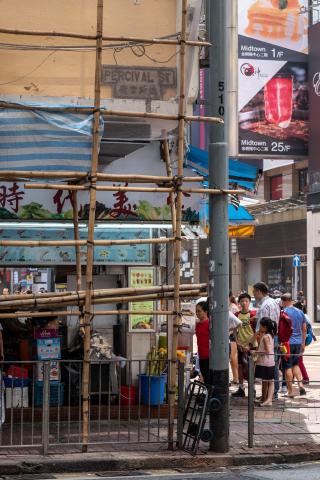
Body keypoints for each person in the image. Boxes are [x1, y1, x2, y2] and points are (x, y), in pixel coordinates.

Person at [253, 282, 280, 398]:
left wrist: (256, 342)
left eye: (254, 291)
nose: (253, 294)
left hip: (266, 337)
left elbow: (261, 328)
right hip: (274, 336)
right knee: (273, 364)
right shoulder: (273, 302)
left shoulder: (264, 306)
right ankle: (270, 393)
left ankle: (269, 395)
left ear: (259, 291)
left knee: (267, 366)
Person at [281, 293, 307, 397]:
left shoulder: (283, 313)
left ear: (285, 301)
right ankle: (301, 385)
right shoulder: (300, 312)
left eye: (282, 302)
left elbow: (281, 329)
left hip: (287, 343)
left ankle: (291, 391)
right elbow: (304, 329)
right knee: (296, 364)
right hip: (298, 343)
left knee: (287, 367)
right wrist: (303, 343)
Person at [232, 292, 257, 398]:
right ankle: (241, 388)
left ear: (249, 302)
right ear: (239, 303)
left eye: (246, 301)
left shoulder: (253, 315)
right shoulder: (236, 315)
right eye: (242, 301)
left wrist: (249, 344)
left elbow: (257, 332)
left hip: (251, 346)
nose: (244, 303)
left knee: (252, 368)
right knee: (240, 367)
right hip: (240, 346)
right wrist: (238, 343)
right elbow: (234, 331)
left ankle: (252, 389)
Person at [255, 317, 277, 407]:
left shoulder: (265, 337)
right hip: (269, 361)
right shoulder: (270, 335)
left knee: (270, 381)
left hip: (265, 362)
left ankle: (268, 399)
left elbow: (267, 351)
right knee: (266, 380)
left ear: (265, 327)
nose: (259, 327)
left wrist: (256, 352)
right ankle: (265, 398)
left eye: (260, 326)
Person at [195, 301, 210, 385]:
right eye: (196, 311)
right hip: (201, 356)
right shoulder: (197, 324)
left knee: (208, 378)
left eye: (199, 311)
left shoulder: (209, 324)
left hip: (209, 357)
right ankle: (206, 395)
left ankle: (209, 396)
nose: (197, 313)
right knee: (204, 377)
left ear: (205, 312)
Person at [229, 291, 239, 385]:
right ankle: (235, 377)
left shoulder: (233, 308)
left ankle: (236, 377)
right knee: (232, 357)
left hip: (232, 334)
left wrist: (230, 329)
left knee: (233, 357)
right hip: (228, 334)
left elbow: (238, 323)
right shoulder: (228, 306)